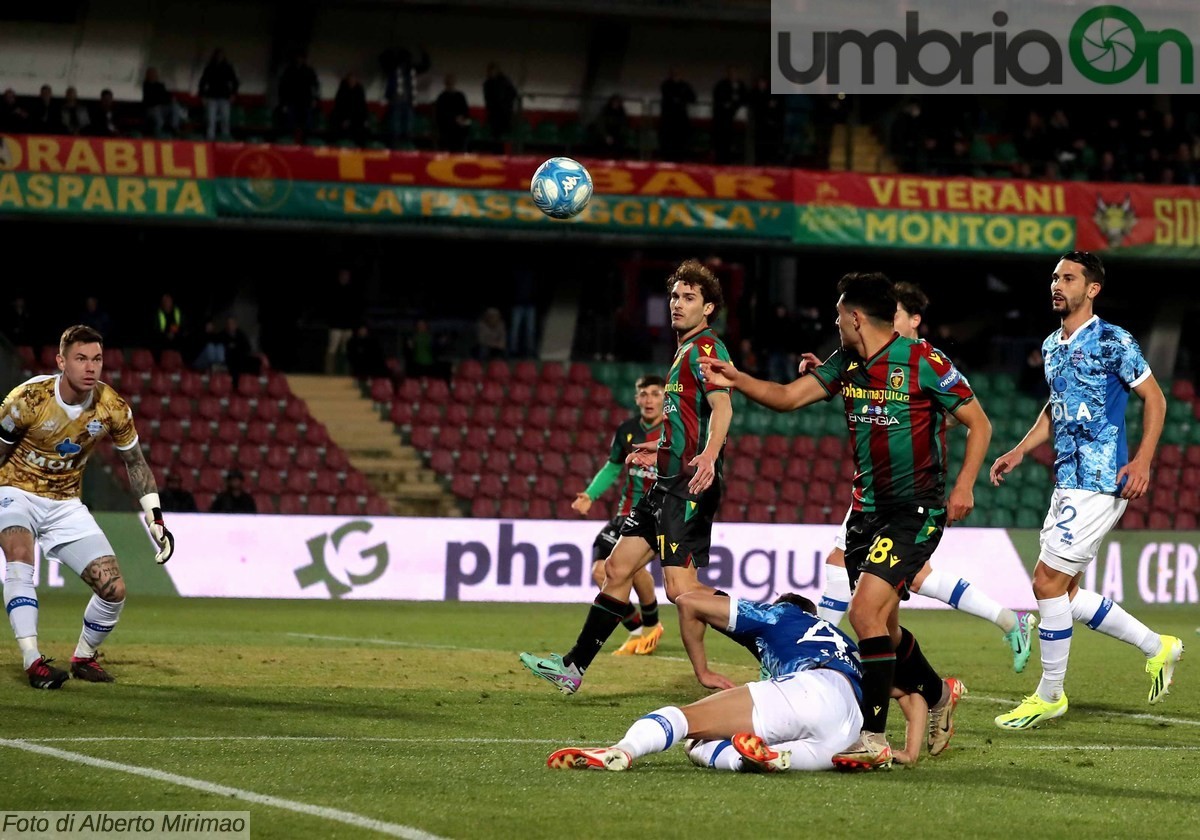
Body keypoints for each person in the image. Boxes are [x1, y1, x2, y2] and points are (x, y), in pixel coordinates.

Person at [699, 273, 991, 770]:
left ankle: (873, 736)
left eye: (838, 315)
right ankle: (938, 695)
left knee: (864, 617)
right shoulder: (847, 364)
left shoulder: (924, 361)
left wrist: (964, 485)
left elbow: (979, 423)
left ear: (855, 317)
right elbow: (789, 398)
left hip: (914, 511)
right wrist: (738, 378)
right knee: (887, 632)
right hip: (865, 516)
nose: (834, 322)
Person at [520, 260, 733, 695]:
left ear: (708, 308)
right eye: (674, 295)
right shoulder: (682, 352)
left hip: (686, 487)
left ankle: (775, 635)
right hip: (665, 482)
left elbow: (723, 407)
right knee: (616, 568)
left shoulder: (707, 349)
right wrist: (664, 446)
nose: (677, 303)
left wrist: (709, 454)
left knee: (681, 590)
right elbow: (688, 419)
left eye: (689, 297)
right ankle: (572, 668)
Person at [991, 251, 1182, 730]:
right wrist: (1018, 450)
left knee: (1045, 583)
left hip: (1102, 479)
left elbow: (1155, 398)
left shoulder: (1114, 340)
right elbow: (1056, 409)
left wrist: (1142, 459)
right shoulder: (1052, 344)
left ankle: (1049, 694)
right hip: (1067, 478)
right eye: (1055, 277)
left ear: (1092, 289)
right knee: (1067, 595)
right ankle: (1157, 646)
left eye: (1069, 278)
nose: (1057, 284)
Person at [810, 281, 1036, 673]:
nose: (886, 323)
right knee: (899, 592)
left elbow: (962, 416)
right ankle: (946, 670)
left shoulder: (925, 360)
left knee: (844, 565)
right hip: (873, 490)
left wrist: (916, 425)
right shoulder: (869, 359)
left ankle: (817, 656)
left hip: (907, 494)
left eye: (895, 315)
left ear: (914, 320)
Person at [545, 591, 952, 772]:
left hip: (809, 689)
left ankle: (623, 750)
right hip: (846, 731)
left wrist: (702, 671)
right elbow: (913, 695)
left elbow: (687, 602)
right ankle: (757, 759)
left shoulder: (779, 616)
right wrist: (908, 752)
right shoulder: (848, 643)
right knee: (766, 753)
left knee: (690, 727)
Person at [0, 325, 175, 689]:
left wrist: (155, 518)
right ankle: (34, 661)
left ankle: (83, 657)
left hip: (65, 503)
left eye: (96, 359)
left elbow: (136, 463)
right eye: (81, 359)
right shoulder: (28, 400)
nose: (90, 367)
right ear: (61, 361)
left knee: (114, 589)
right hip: (15, 490)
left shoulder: (111, 407)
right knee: (20, 555)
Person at [571, 375, 666, 656]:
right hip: (626, 513)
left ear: (665, 398)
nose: (649, 400)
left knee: (633, 570)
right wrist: (590, 494)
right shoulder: (627, 431)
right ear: (636, 399)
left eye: (655, 394)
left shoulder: (674, 432)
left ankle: (650, 627)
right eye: (643, 394)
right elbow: (612, 468)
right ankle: (638, 630)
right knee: (600, 571)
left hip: (658, 514)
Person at [198, 48, 239, 141]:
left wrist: (233, 94)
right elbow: (202, 82)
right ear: (215, 56)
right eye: (218, 55)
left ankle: (225, 139)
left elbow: (235, 82)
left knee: (225, 120)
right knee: (211, 121)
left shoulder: (228, 67)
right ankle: (210, 139)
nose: (220, 57)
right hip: (211, 97)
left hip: (225, 97)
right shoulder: (209, 67)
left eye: (221, 55)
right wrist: (202, 96)